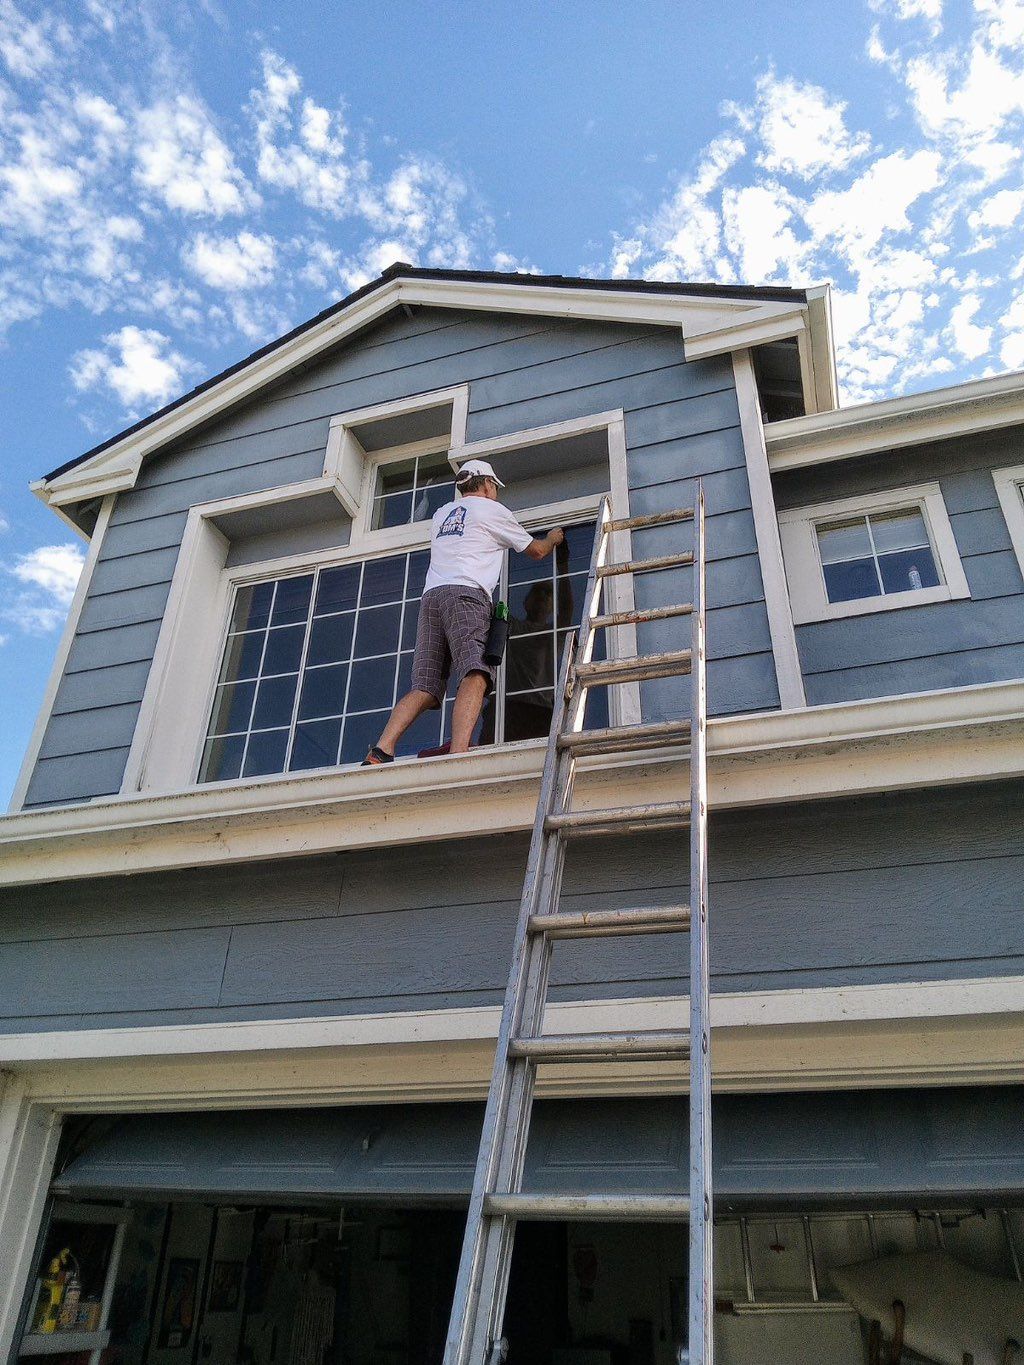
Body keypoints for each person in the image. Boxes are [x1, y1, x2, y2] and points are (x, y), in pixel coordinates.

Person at [362, 458, 564, 764]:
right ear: (485, 484)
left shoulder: (442, 514)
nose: (495, 492)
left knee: (426, 686)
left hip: (432, 599)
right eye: (494, 487)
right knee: (476, 672)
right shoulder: (492, 510)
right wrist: (553, 538)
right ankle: (459, 755)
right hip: (466, 594)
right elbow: (536, 551)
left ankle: (381, 750)